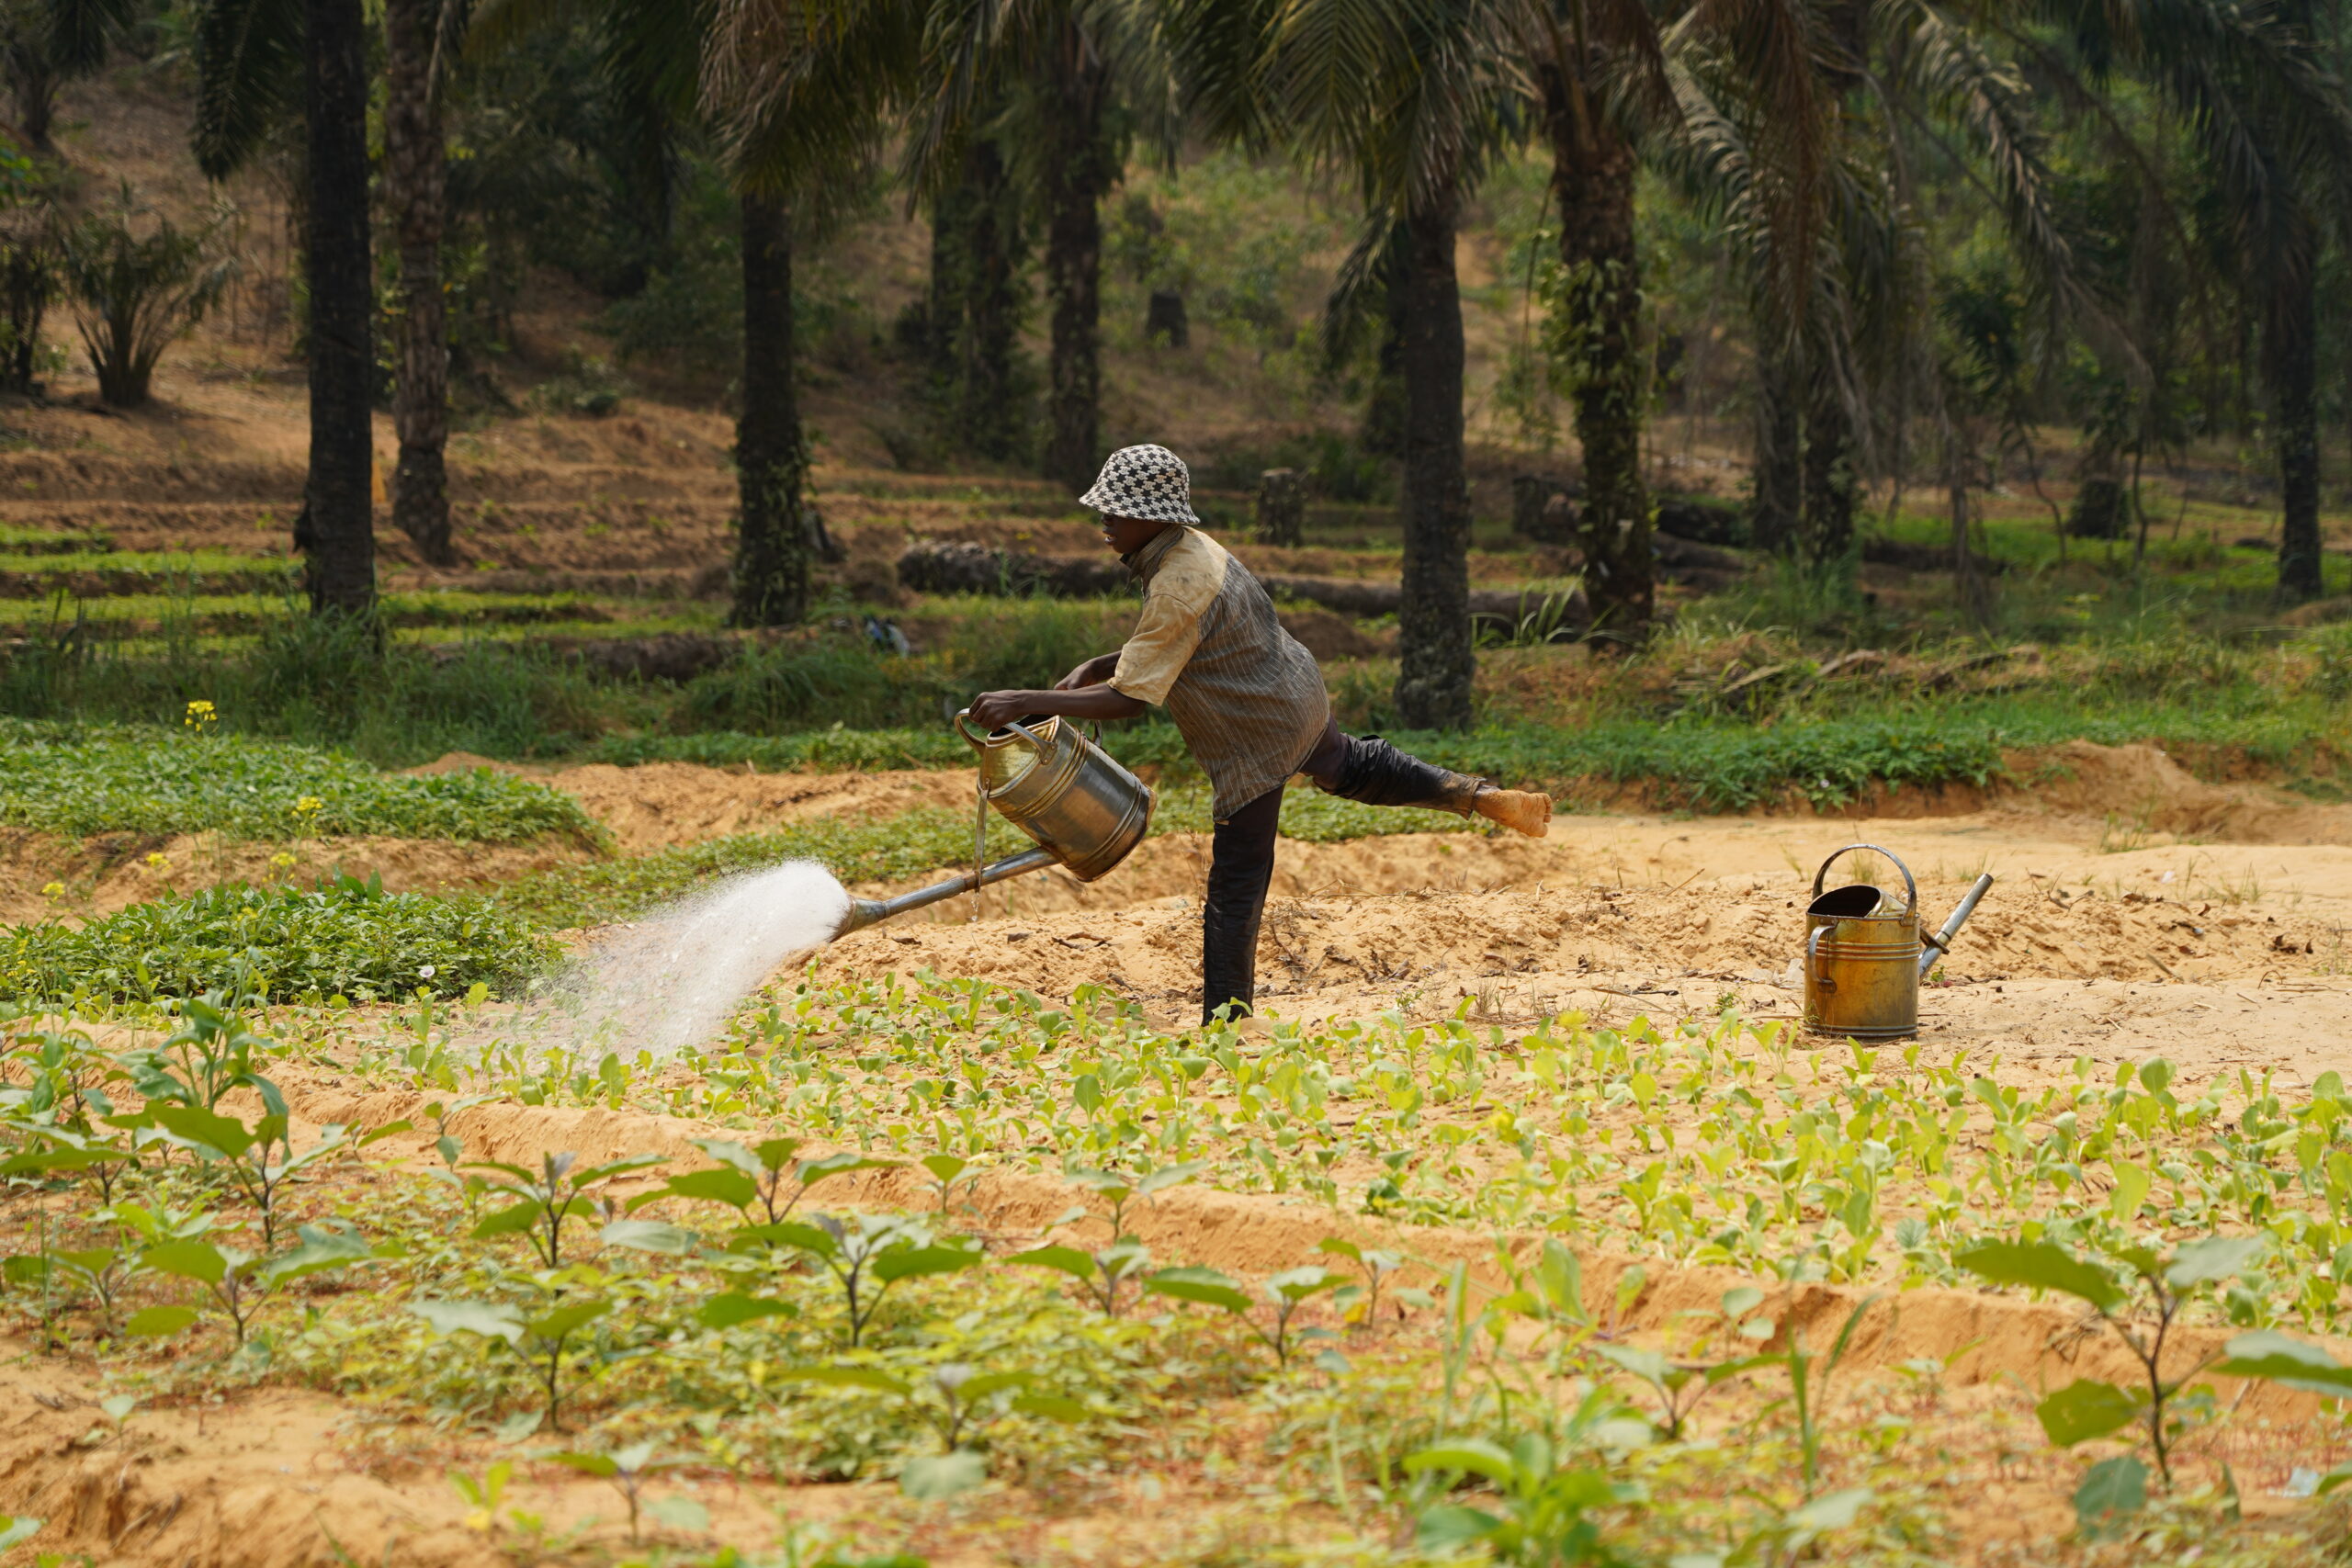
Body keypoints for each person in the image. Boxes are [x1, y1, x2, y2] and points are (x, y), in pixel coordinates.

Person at [968, 443, 1551, 1024]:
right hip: (1294, 691)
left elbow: (1130, 699)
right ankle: (1474, 794)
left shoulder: (1175, 583)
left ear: (1155, 517)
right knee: (1349, 764)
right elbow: (1179, 640)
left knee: (1236, 880)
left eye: (1117, 510)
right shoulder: (1197, 552)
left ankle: (1226, 1019)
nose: (1105, 519)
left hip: (1258, 729)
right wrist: (1097, 667)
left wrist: (1029, 700)